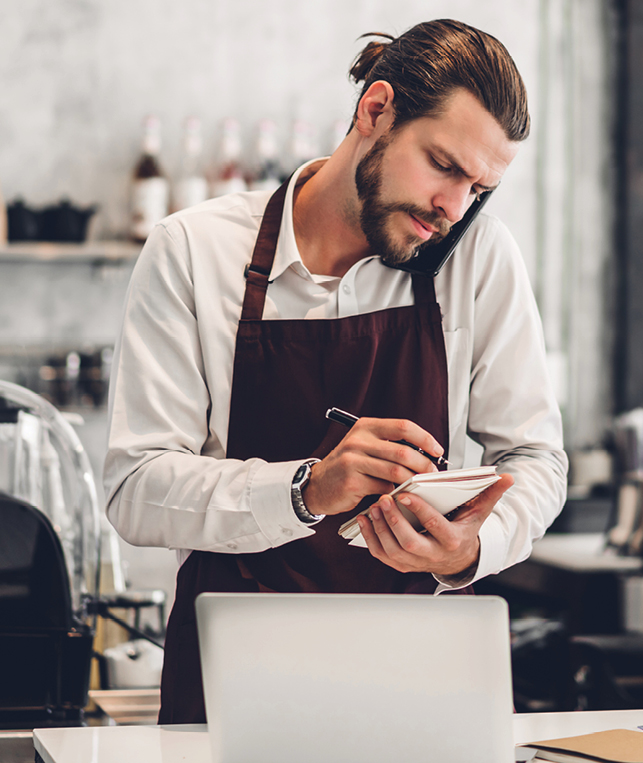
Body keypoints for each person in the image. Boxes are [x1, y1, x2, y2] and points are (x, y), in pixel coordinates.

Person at [104, 18, 567, 724]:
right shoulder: (192, 252)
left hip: (422, 682)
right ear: (375, 110)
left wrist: (473, 545)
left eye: (479, 188)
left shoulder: (478, 257)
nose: (454, 209)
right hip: (235, 684)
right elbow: (135, 488)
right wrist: (306, 488)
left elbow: (534, 457)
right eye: (444, 165)